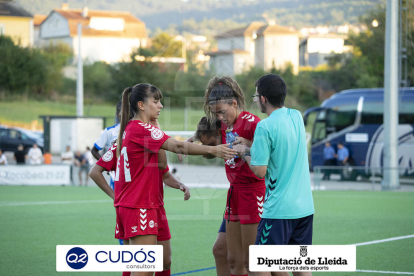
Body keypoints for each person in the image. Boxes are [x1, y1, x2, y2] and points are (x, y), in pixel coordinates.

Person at [114, 83, 236, 276]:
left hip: (148, 204)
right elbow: (177, 147)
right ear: (141, 105)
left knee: (163, 261)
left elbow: (162, 164)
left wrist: (159, 129)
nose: (160, 106)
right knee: (143, 269)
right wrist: (214, 149)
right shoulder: (139, 129)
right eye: (156, 101)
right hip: (139, 206)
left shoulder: (140, 128)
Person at [233, 74, 315, 276]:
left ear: (263, 99)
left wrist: (243, 153)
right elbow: (281, 146)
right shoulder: (296, 116)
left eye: (256, 96)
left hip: (279, 210)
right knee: (301, 268)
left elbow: (259, 171)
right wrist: (252, 145)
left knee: (259, 265)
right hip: (305, 208)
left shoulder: (264, 126)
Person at [89, 142, 191, 276]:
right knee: (139, 265)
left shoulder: (157, 144)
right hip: (136, 208)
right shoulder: (123, 144)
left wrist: (180, 184)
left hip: (157, 208)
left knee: (164, 262)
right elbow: (95, 172)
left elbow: (165, 175)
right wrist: (115, 196)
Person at [200, 76, 265, 276]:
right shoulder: (224, 125)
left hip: (252, 193)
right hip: (234, 194)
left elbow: (271, 154)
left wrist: (248, 146)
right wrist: (192, 143)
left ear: (234, 103)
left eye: (222, 112)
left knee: (253, 261)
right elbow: (211, 149)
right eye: (215, 113)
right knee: (226, 254)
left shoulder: (253, 123)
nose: (219, 117)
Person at [193, 117, 231, 276]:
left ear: (218, 132)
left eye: (209, 144)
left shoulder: (235, 135)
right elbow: (208, 153)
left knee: (253, 259)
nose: (209, 149)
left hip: (255, 199)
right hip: (235, 200)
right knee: (220, 250)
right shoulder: (220, 139)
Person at [91, 101, 122, 190]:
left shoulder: (135, 130)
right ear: (117, 114)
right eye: (122, 111)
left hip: (133, 172)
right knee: (119, 200)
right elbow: (94, 150)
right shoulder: (109, 131)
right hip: (116, 173)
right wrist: (107, 166)